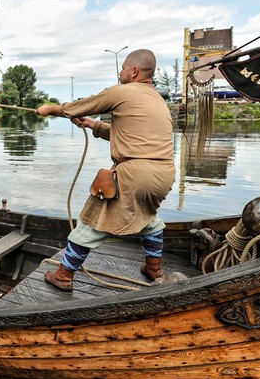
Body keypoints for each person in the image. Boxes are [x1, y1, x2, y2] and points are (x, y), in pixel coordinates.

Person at [35, 49, 175, 290]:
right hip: (163, 175)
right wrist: (93, 125)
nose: (120, 72)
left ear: (134, 71)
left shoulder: (122, 91)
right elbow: (128, 135)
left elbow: (81, 106)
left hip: (135, 173)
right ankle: (154, 268)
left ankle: (64, 274)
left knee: (93, 219)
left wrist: (52, 109)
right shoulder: (157, 100)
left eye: (123, 68)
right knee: (147, 216)